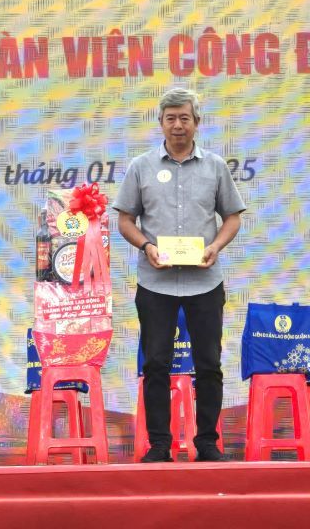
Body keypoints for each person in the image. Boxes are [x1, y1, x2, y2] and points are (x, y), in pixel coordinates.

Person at [113, 88, 245, 463]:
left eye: (184, 118)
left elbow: (232, 216)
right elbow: (125, 219)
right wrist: (146, 246)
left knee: (209, 363)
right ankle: (159, 445)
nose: (177, 125)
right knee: (156, 363)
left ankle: (206, 443)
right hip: (155, 282)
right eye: (170, 118)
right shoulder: (141, 166)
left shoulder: (216, 167)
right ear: (161, 123)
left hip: (205, 281)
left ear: (196, 123)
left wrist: (215, 246)